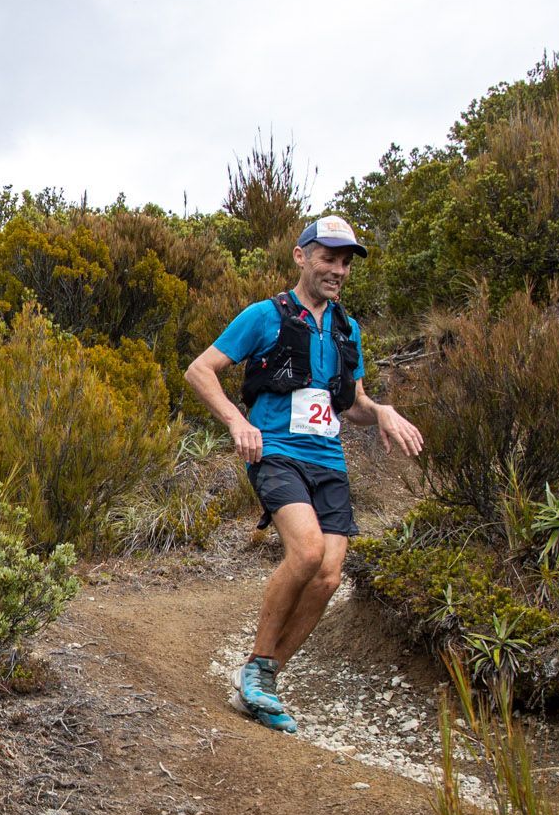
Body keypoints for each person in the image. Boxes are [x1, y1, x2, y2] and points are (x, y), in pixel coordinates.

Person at [182, 213, 425, 733]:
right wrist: (237, 421)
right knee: (308, 551)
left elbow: (351, 404)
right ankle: (255, 666)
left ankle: (263, 680)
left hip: (329, 461)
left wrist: (382, 411)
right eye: (328, 258)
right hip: (277, 454)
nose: (338, 270)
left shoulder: (347, 329)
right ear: (301, 256)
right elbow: (199, 370)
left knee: (330, 575)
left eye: (345, 262)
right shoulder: (264, 316)